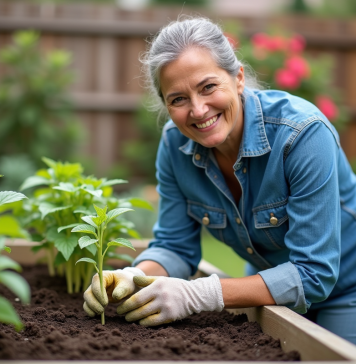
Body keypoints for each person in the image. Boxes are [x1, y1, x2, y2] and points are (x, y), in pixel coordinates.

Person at [83, 16, 356, 344]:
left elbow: (314, 275)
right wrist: (134, 275)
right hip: (269, 283)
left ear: (238, 78)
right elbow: (174, 246)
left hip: (347, 287)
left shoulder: (301, 135)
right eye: (178, 99)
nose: (198, 110)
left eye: (208, 87)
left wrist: (198, 294)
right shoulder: (175, 145)